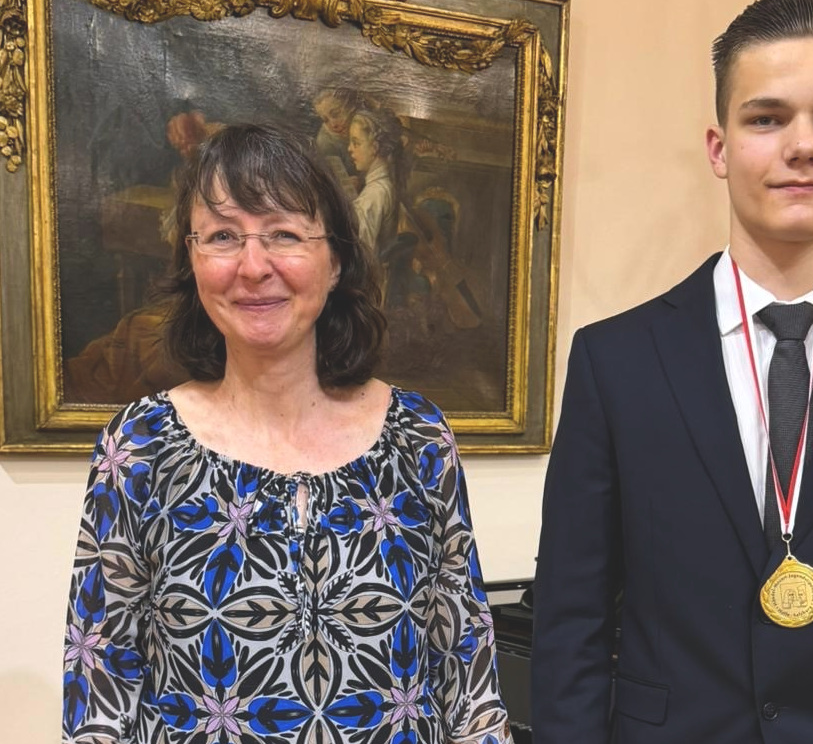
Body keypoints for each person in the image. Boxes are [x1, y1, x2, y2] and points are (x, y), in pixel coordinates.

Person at [531, 0, 813, 743]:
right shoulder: (615, 362)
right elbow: (569, 621)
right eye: (766, 117)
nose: (801, 145)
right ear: (719, 147)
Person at [62, 124, 512, 744]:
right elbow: (100, 695)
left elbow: (470, 680)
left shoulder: (418, 438)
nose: (253, 266)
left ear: (335, 263)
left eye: (285, 234)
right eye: (222, 236)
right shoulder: (140, 447)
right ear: (191, 260)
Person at [347, 106, 408, 260]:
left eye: (356, 143)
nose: (349, 149)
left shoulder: (374, 195)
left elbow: (360, 256)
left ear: (374, 148)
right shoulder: (386, 183)